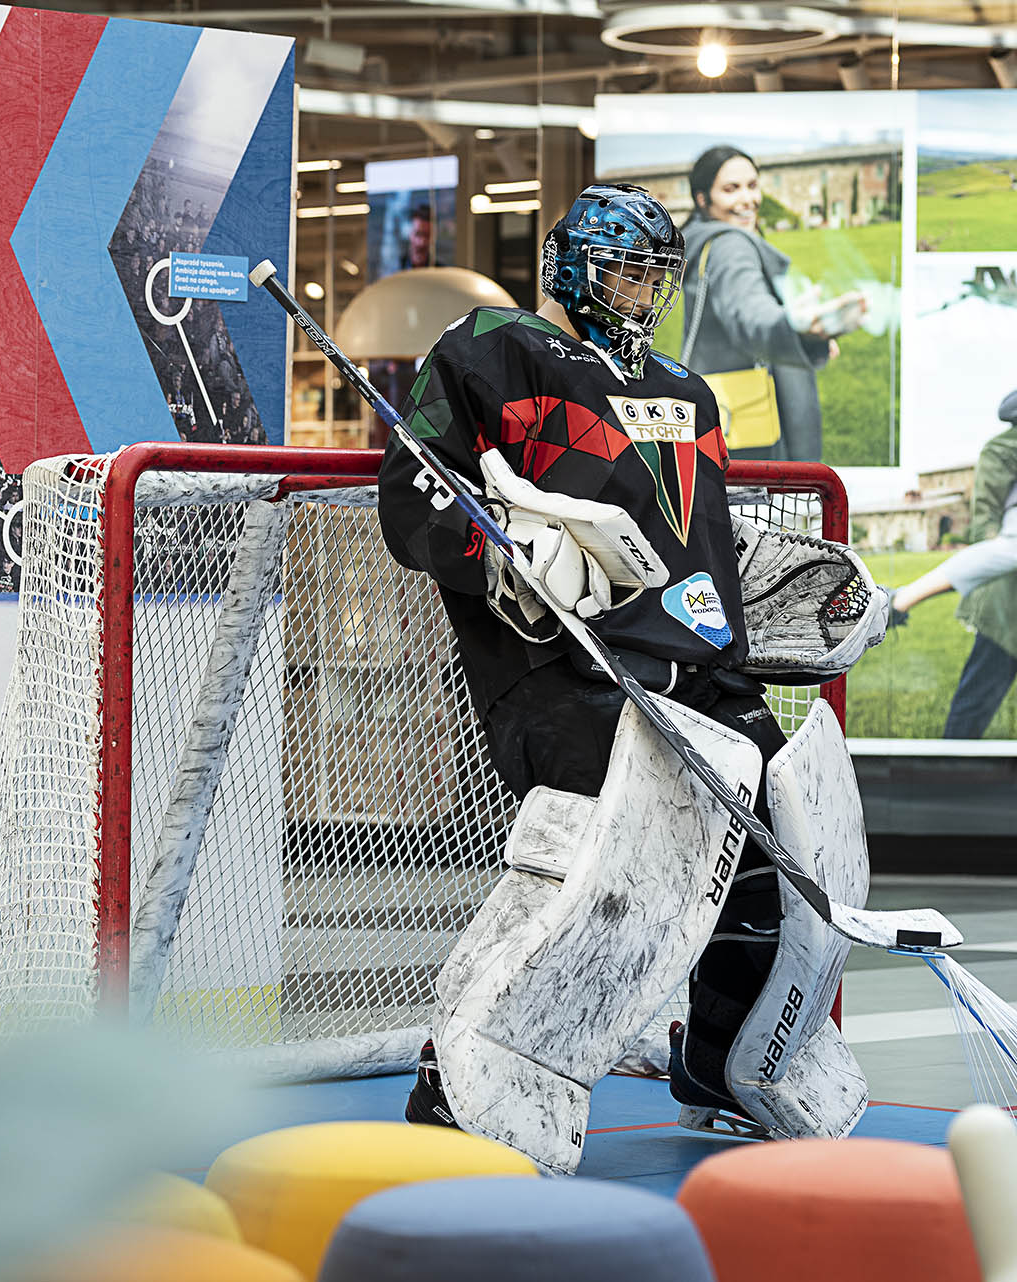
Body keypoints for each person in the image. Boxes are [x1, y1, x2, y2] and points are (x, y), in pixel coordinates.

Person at [378, 183, 874, 1173]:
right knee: (618, 858)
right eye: (624, 272)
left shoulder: (689, 393)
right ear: (567, 264)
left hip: (696, 667)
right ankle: (460, 1071)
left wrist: (780, 589)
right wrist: (499, 552)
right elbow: (412, 496)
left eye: (657, 275)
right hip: (556, 666)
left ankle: (730, 1057)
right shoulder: (492, 350)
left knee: (790, 834)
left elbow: (704, 541)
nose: (643, 292)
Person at [679, 145, 862, 463]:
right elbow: (749, 312)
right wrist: (793, 328)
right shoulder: (730, 246)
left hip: (715, 419)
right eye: (731, 189)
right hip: (747, 432)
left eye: (752, 185)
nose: (748, 199)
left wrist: (807, 337)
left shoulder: (704, 239)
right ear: (702, 199)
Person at [888, 392, 1017, 737]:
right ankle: (948, 766)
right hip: (1007, 607)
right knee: (975, 704)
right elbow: (991, 532)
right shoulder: (1003, 450)